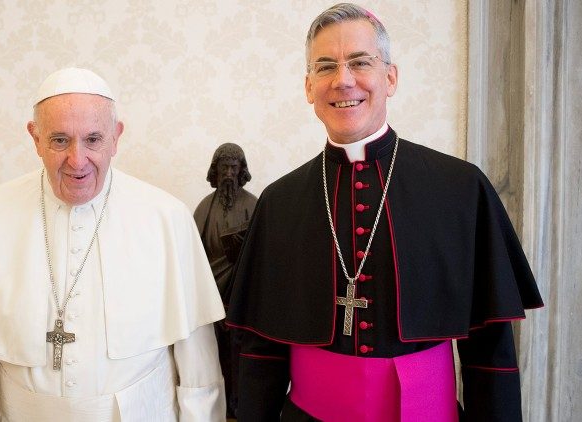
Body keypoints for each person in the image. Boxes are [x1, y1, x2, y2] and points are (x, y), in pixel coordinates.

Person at [225, 4, 543, 421]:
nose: (343, 80)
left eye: (360, 62)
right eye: (325, 67)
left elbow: (490, 352)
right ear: (308, 87)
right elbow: (260, 355)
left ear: (390, 78)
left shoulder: (461, 189)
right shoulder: (279, 202)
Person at [0, 67, 226, 421]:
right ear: (35, 138)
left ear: (116, 137)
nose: (77, 159)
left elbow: (200, 377)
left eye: (93, 139)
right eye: (59, 140)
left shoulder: (167, 217)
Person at [194, 143, 258, 418]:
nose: (229, 173)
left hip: (242, 296)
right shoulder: (204, 208)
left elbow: (262, 252)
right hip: (210, 294)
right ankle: (216, 406)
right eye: (224, 168)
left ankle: (239, 404)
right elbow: (193, 254)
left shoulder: (254, 205)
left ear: (241, 170)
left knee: (240, 357)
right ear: (215, 171)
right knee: (212, 355)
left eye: (234, 167)